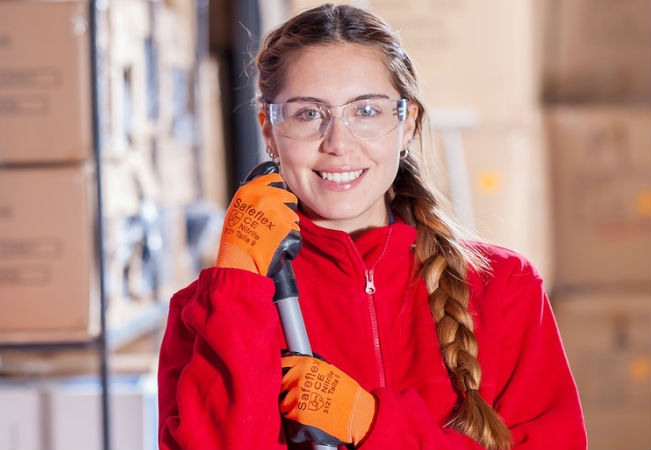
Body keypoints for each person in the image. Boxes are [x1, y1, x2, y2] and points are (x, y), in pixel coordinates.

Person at [157, 3, 587, 449]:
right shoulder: (212, 311)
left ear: (406, 124)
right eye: (308, 113)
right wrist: (239, 284)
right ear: (269, 128)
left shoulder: (504, 288)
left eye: (366, 111)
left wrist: (375, 426)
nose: (339, 144)